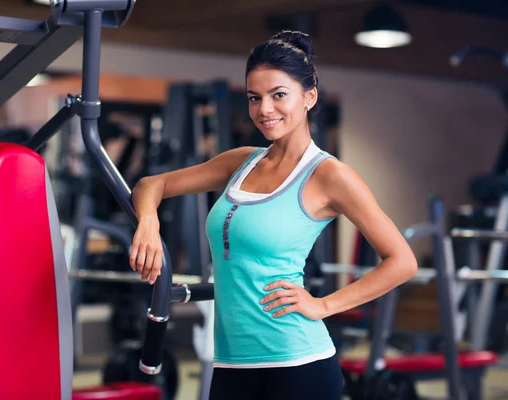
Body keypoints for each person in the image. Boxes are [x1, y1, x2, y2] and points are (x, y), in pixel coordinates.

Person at [129, 30, 418, 400]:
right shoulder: (241, 162)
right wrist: (149, 225)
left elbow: (402, 261)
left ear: (309, 97)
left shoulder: (330, 176)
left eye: (278, 94)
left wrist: (324, 305)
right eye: (255, 97)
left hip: (298, 365)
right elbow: (150, 185)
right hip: (231, 364)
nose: (265, 109)